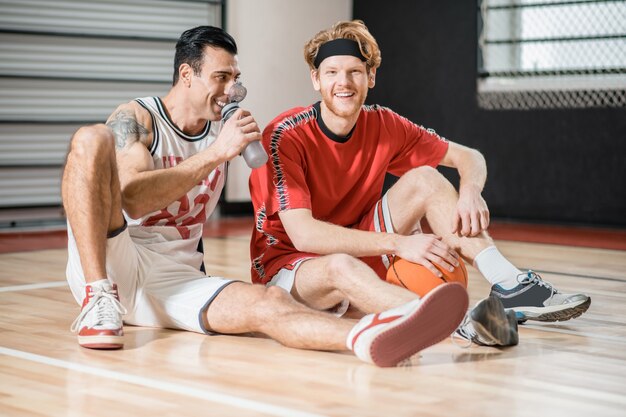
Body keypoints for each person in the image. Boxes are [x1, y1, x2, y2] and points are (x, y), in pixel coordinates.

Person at [62, 25, 470, 368]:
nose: (232, 89)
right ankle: (97, 299)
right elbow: (133, 199)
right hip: (118, 256)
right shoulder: (137, 119)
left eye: (235, 78)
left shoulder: (218, 130)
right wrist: (217, 153)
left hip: (175, 276)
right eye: (221, 77)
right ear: (187, 75)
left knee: (268, 303)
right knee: (90, 137)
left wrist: (223, 146)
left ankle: (369, 337)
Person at [248, 20, 590, 347]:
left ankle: (511, 284)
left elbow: (469, 157)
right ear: (315, 79)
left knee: (426, 179)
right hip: (289, 266)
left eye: (354, 71)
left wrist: (470, 192)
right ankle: (467, 324)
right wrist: (399, 244)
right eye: (332, 72)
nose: (344, 82)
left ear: (371, 77)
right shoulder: (284, 136)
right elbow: (304, 235)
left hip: (358, 240)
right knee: (341, 266)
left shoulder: (384, 123)